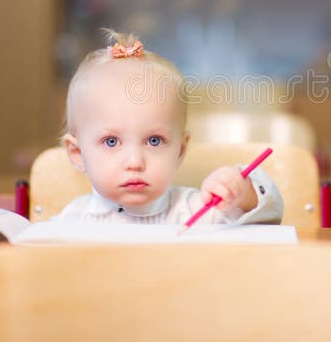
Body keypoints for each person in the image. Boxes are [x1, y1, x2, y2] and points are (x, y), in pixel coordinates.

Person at [57, 29, 283, 224]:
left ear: (180, 150)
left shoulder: (198, 212)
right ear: (78, 153)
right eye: (111, 141)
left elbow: (269, 217)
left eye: (154, 140)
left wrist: (242, 194)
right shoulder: (72, 221)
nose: (135, 162)